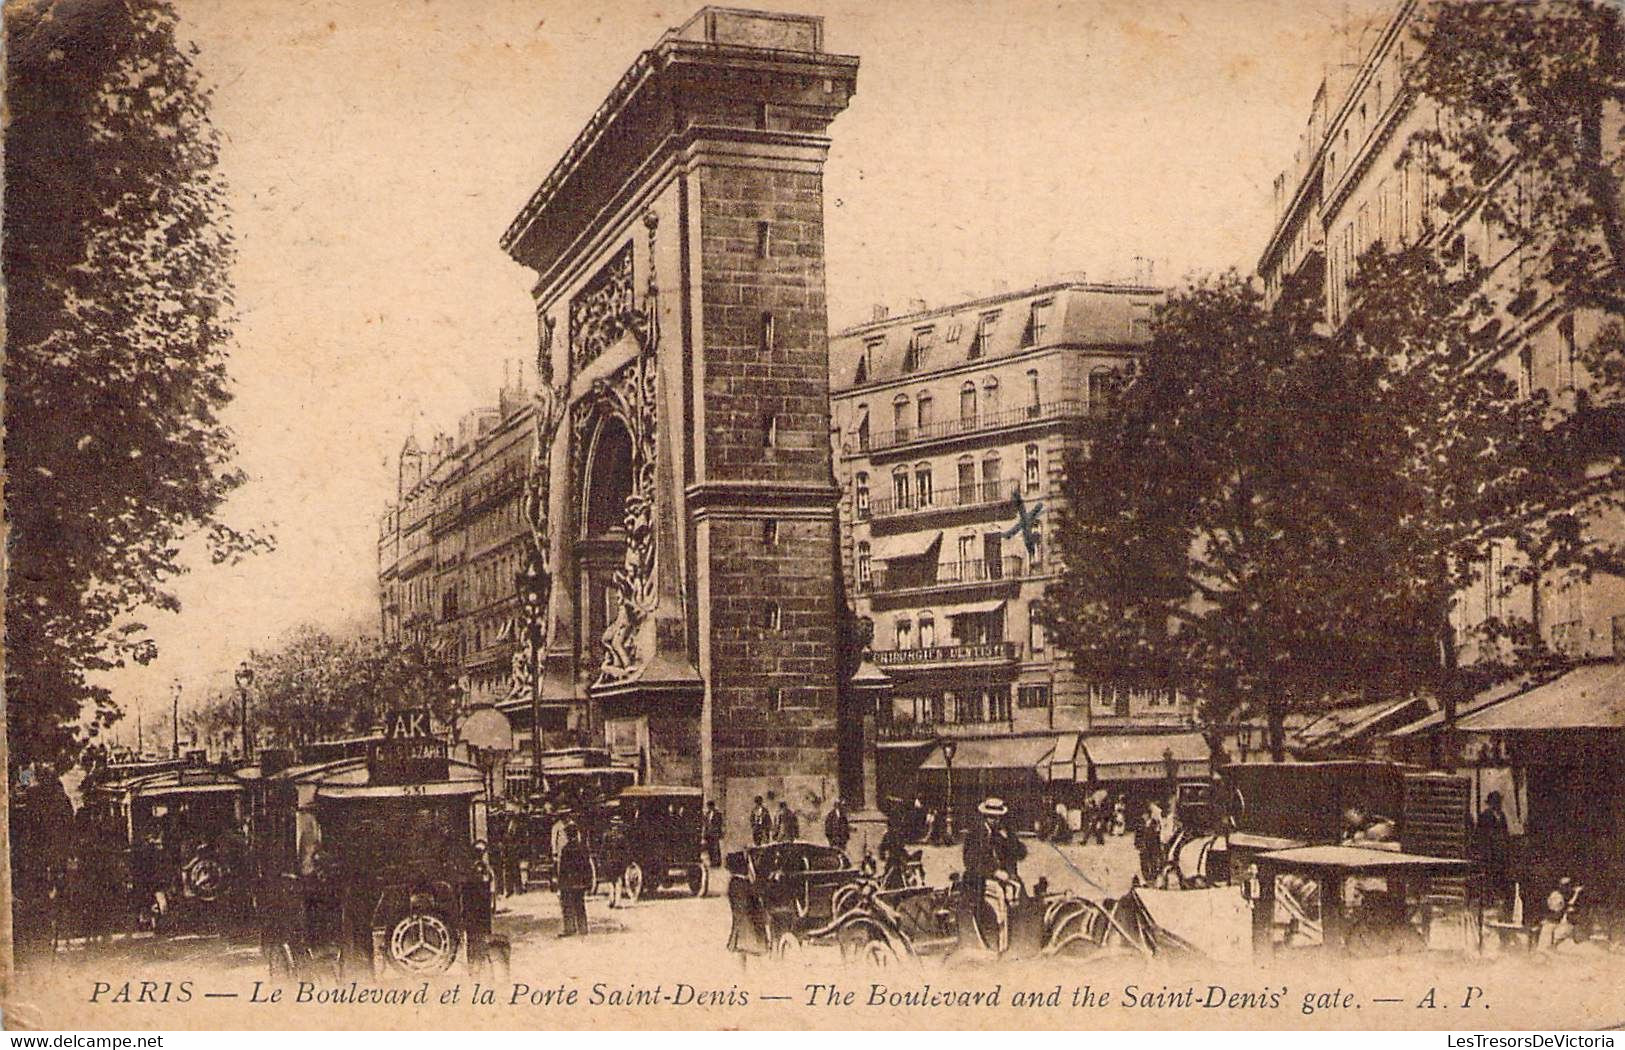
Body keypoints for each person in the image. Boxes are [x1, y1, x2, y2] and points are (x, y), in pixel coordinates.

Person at [1473, 791, 1512, 904]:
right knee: (1488, 874)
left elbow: (1505, 832)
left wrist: (1505, 844)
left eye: (1498, 801)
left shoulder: (1502, 815)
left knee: (1500, 873)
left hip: (1500, 850)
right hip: (1489, 850)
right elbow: (1480, 833)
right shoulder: (1485, 815)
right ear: (1490, 803)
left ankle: (1498, 896)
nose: (1497, 804)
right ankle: (1488, 898)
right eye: (1495, 802)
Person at [555, 822, 592, 937]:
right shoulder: (583, 848)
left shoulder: (566, 849)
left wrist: (560, 885)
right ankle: (583, 928)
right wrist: (588, 881)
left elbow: (563, 869)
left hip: (569, 883)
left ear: (567, 835)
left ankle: (570, 928)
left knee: (567, 906)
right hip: (580, 883)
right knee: (580, 905)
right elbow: (587, 866)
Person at [703, 800, 725, 868]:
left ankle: (717, 862)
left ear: (712, 806)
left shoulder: (718, 813)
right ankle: (712, 862)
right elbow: (706, 824)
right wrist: (705, 833)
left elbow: (720, 824)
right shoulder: (707, 814)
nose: (709, 807)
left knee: (715, 848)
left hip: (715, 833)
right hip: (709, 833)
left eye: (709, 806)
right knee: (710, 848)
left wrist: (719, 832)